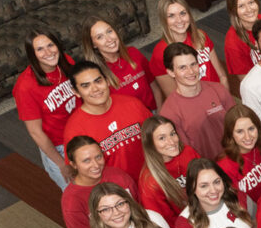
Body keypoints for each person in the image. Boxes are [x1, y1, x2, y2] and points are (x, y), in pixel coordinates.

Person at [14, 30, 80, 189]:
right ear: (32, 55)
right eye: (40, 49)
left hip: (83, 134)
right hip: (60, 148)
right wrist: (61, 164)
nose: (48, 52)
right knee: (78, 196)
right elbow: (35, 132)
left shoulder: (67, 63)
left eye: (51, 45)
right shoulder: (25, 87)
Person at [63, 62, 151, 180]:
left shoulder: (133, 104)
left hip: (152, 179)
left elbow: (156, 137)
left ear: (107, 81)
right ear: (76, 92)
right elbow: (82, 175)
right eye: (85, 86)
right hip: (117, 192)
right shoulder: (74, 130)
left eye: (98, 81)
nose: (95, 89)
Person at [62, 135, 138, 228]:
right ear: (74, 164)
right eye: (86, 160)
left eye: (98, 157)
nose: (96, 165)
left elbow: (141, 210)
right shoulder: (72, 202)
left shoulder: (119, 176)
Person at [159, 43, 233, 157]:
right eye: (182, 67)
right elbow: (186, 155)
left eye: (193, 64)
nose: (191, 72)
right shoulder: (169, 113)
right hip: (208, 169)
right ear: (171, 72)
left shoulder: (218, 89)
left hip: (235, 158)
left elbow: (238, 125)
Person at [149, 0, 227, 95]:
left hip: (218, 95)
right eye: (171, 16)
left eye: (183, 13)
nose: (179, 20)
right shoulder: (160, 53)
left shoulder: (201, 36)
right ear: (164, 20)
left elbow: (222, 76)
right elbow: (175, 98)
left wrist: (225, 99)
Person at [80, 16, 159, 108]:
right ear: (93, 45)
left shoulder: (133, 53)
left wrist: (161, 113)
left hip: (154, 113)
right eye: (100, 37)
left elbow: (154, 86)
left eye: (109, 31)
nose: (109, 39)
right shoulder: (96, 75)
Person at [138, 116, 202, 221]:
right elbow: (164, 221)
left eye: (172, 134)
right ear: (150, 144)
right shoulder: (149, 182)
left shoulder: (188, 152)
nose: (172, 142)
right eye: (162, 138)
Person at [216, 105, 261, 203]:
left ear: (258, 128)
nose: (248, 137)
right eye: (240, 132)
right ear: (231, 135)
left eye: (251, 129)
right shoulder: (224, 166)